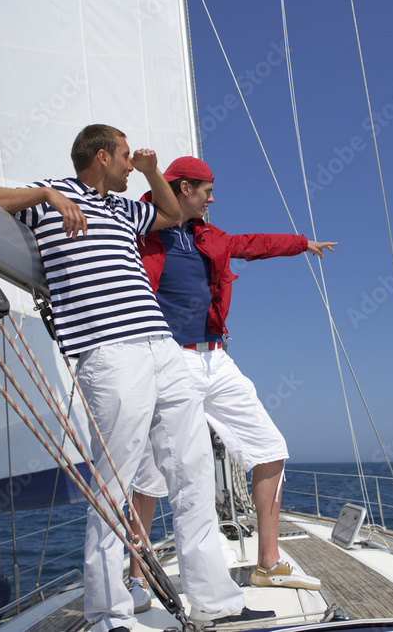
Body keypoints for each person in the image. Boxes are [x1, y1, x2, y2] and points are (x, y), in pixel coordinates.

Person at [0, 128, 271, 632]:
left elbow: (173, 213)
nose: (127, 165)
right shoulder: (52, 194)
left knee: (193, 471)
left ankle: (215, 603)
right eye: (123, 156)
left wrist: (151, 169)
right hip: (108, 351)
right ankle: (108, 615)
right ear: (100, 156)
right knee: (114, 484)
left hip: (161, 346)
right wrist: (48, 195)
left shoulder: (121, 210)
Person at [124, 156, 335, 608]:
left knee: (269, 447)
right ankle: (135, 576)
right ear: (182, 189)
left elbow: (253, 243)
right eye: (207, 190)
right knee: (152, 475)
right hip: (166, 360)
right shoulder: (140, 231)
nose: (213, 198)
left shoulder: (211, 237)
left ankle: (268, 565)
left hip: (216, 360)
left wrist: (301, 244)